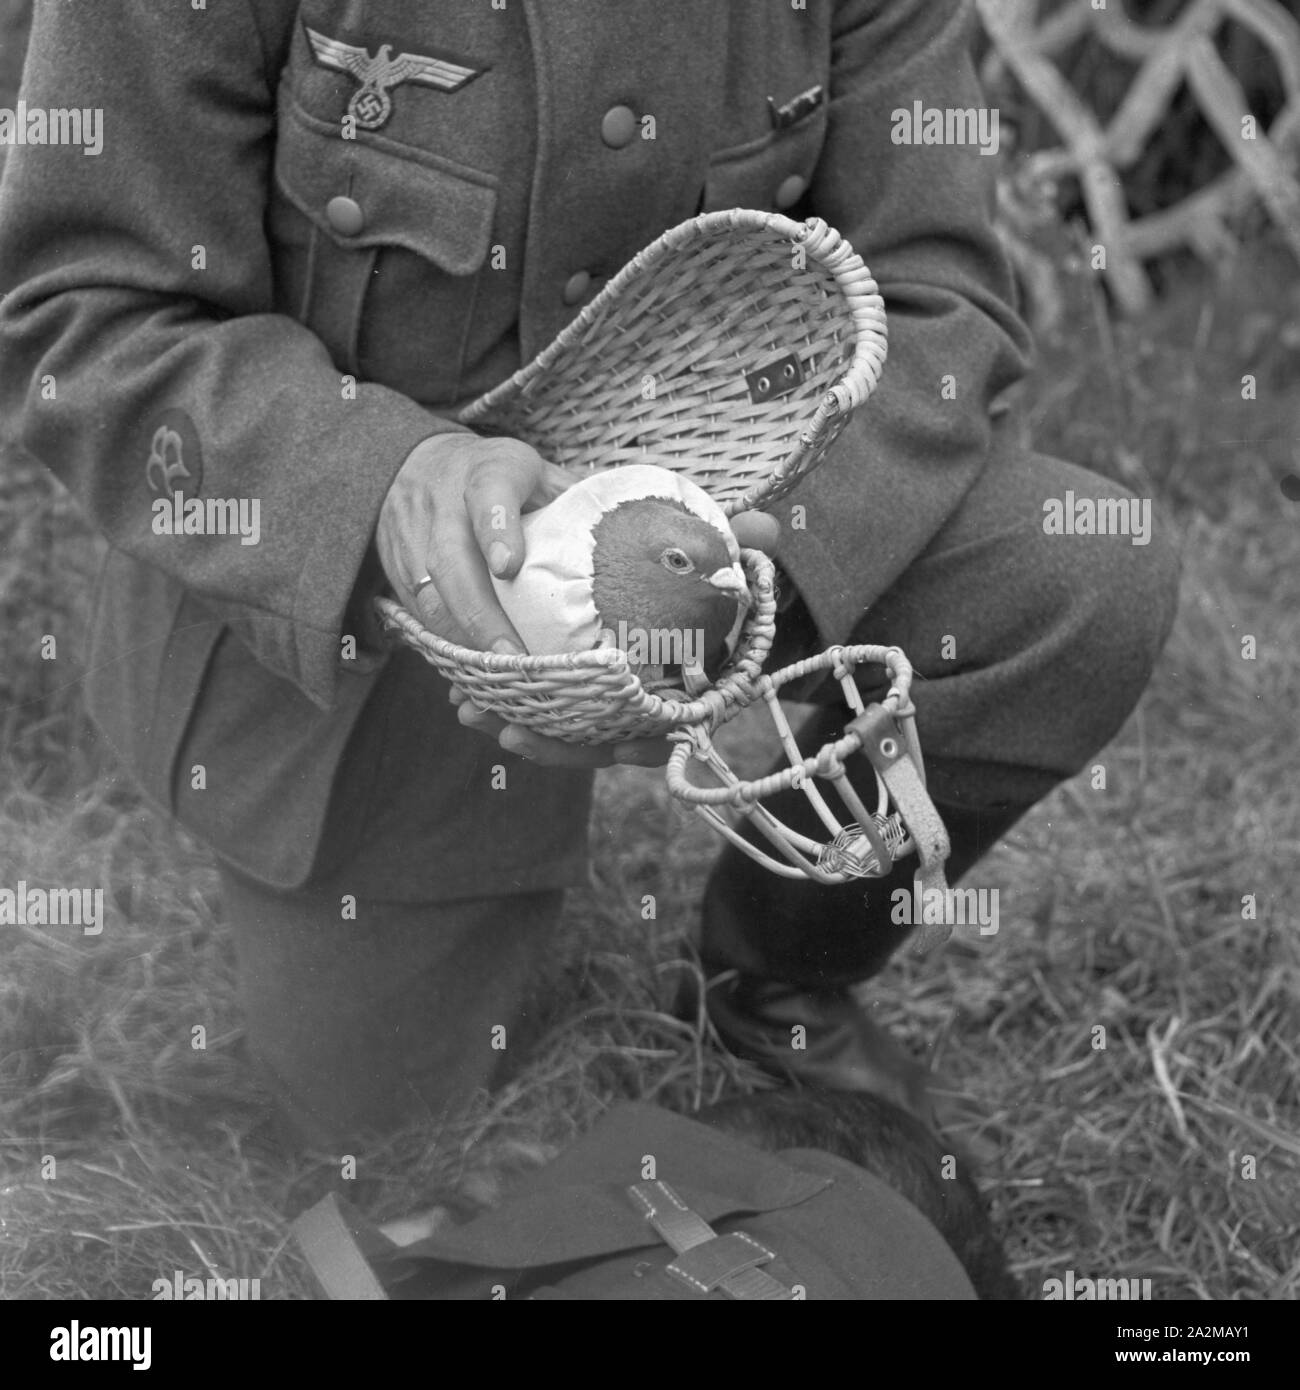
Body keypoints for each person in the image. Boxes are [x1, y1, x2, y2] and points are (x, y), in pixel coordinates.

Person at [0, 0, 1179, 1149]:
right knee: (398, 1144)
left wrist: (734, 598)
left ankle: (772, 977)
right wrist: (383, 486)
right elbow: (90, 317)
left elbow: (938, 302)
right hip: (376, 617)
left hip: (733, 522)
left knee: (1079, 578)